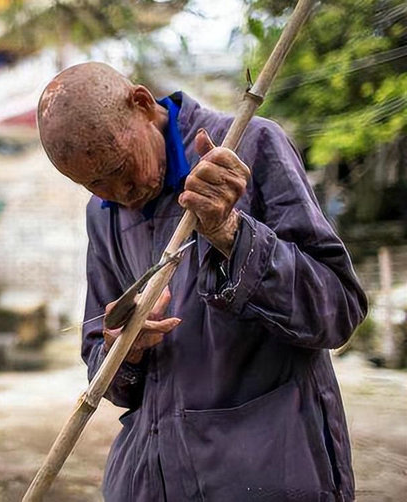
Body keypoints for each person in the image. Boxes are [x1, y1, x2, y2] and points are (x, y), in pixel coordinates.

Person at [37, 62, 367, 501]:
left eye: (120, 167)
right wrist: (125, 350)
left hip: (267, 472)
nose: (119, 192)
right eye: (92, 185)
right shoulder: (103, 215)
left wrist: (230, 232)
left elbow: (338, 309)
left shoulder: (247, 147)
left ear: (141, 104)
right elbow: (101, 363)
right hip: (151, 480)